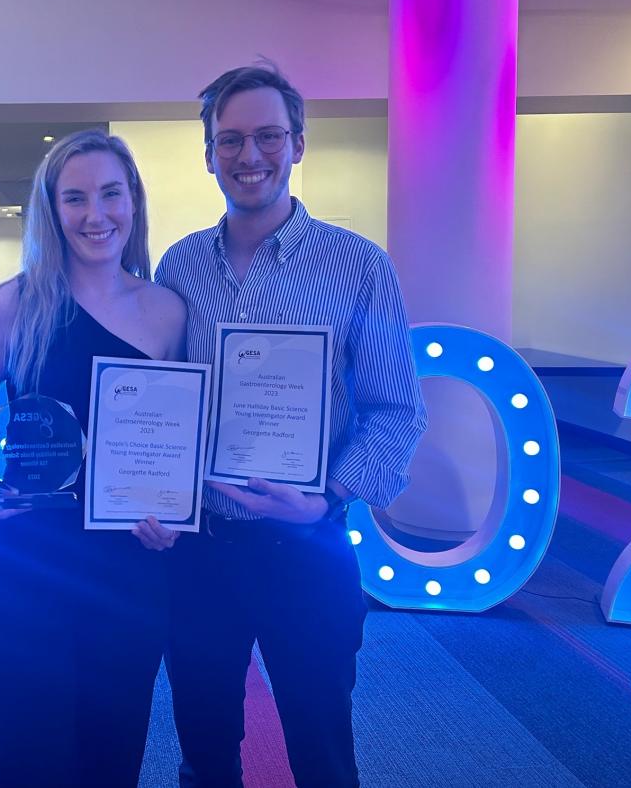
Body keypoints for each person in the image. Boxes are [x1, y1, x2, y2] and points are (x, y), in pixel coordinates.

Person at [152, 64, 427, 787]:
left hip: (308, 544)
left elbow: (395, 409)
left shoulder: (359, 266)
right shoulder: (178, 266)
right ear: (209, 152)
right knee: (203, 747)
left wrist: (328, 496)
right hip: (200, 552)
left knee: (321, 741)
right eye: (231, 140)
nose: (250, 157)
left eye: (268, 136)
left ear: (298, 143)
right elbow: (163, 405)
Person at [0, 129, 187, 788]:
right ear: (51, 211)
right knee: (26, 757)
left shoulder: (166, 311)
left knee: (111, 755)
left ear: (132, 202)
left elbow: (174, 435)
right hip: (26, 559)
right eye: (74, 198)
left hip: (127, 566)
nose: (95, 215)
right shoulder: (14, 303)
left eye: (111, 194)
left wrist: (174, 510)